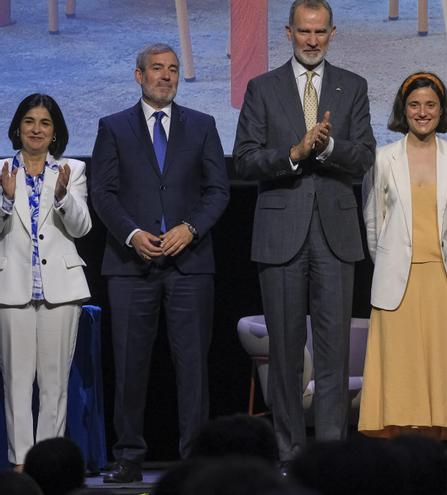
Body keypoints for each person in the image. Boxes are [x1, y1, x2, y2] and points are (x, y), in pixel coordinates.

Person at [232, 0, 376, 472]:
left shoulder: (352, 86)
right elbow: (246, 159)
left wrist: (328, 146)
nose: (312, 40)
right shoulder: (262, 88)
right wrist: (294, 152)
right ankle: (290, 453)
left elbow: (364, 156)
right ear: (288, 32)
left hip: (335, 234)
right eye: (303, 32)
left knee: (334, 354)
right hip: (280, 233)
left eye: (320, 32)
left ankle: (331, 457)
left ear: (332, 33)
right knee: (287, 353)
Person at [90, 42, 230, 483]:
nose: (166, 76)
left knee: (193, 367)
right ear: (139, 76)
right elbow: (103, 192)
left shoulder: (203, 125)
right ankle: (128, 457)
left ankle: (194, 461)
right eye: (157, 69)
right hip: (131, 267)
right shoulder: (112, 127)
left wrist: (190, 228)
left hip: (190, 264)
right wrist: (132, 234)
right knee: (130, 365)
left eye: (172, 69)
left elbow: (218, 191)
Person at [359, 72, 447, 440]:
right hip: (396, 281)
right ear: (403, 111)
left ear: (442, 110)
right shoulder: (383, 157)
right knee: (400, 371)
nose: (423, 112)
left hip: (441, 279)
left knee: (437, 369)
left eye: (430, 105)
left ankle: (429, 458)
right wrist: (391, 263)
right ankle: (398, 460)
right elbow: (374, 222)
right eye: (415, 105)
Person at [0, 94, 91, 470]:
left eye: (45, 123)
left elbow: (82, 227)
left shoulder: (73, 170)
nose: (36, 129)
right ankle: (21, 463)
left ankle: (49, 466)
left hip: (61, 289)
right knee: (17, 383)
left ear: (55, 133)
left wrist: (62, 197)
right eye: (30, 122)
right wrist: (6, 201)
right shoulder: (2, 169)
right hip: (12, 288)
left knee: (55, 384)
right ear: (18, 128)